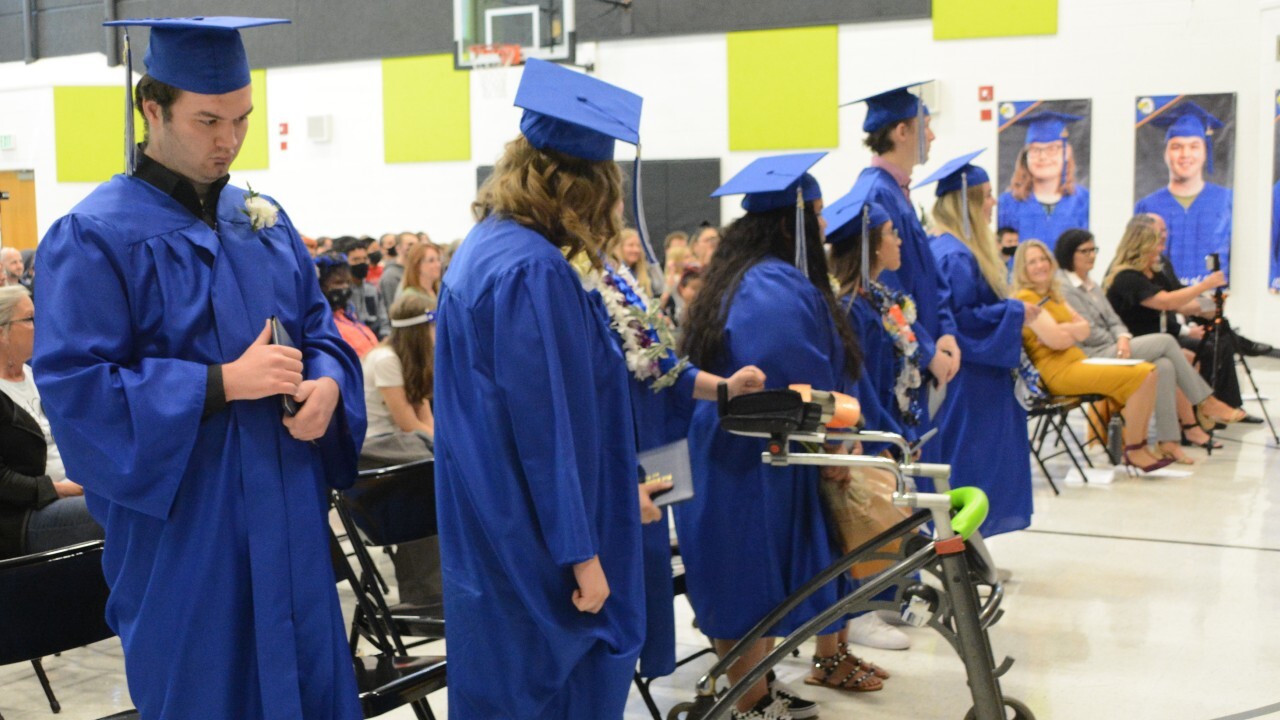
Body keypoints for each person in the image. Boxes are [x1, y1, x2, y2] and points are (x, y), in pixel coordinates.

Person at [32, 17, 366, 720]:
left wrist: (331, 382)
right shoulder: (94, 236)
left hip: (291, 522)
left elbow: (319, 332)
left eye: (242, 119)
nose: (229, 140)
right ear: (152, 110)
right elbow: (76, 391)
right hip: (189, 538)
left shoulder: (263, 224)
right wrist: (220, 383)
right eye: (208, 119)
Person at [433, 58, 647, 719]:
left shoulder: (485, 249)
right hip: (540, 545)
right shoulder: (532, 272)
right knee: (553, 693)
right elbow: (546, 431)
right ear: (582, 187)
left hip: (495, 525)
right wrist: (581, 554)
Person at [681, 153, 883, 720]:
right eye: (816, 215)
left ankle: (756, 688)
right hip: (743, 455)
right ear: (790, 221)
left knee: (758, 576)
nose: (823, 227)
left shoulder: (756, 276)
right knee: (746, 578)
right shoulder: (765, 285)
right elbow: (789, 379)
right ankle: (746, 701)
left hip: (750, 450)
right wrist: (828, 449)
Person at [918, 150, 1036, 536]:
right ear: (966, 201)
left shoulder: (950, 248)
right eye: (986, 194)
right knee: (970, 462)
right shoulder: (955, 255)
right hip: (972, 383)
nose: (993, 203)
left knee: (971, 461)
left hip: (973, 381)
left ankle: (966, 548)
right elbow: (962, 320)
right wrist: (1015, 313)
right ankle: (962, 549)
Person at [846, 81, 960, 469]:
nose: (932, 135)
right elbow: (886, 291)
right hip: (898, 368)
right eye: (925, 124)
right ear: (901, 131)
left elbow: (927, 280)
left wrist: (945, 334)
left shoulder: (898, 194)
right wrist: (928, 353)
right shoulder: (876, 195)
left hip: (922, 354)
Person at [1056, 228, 1240, 460]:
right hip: (1094, 353)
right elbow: (1088, 334)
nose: (1092, 255)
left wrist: (1122, 338)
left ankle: (1169, 441)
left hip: (1122, 344)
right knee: (1168, 344)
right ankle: (1205, 402)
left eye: (1094, 250)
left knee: (1165, 365)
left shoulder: (1091, 283)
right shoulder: (1079, 285)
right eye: (1086, 251)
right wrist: (1204, 287)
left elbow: (1115, 321)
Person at [1012, 241, 1168, 473]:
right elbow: (1057, 340)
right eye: (1032, 262)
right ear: (1022, 269)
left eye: (1043, 259)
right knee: (1144, 374)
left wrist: (1064, 329)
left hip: (1077, 361)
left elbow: (1083, 330)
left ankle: (1139, 445)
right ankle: (1134, 448)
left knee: (1150, 372)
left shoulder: (1054, 294)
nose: (1040, 265)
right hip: (1056, 372)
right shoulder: (1027, 299)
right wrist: (1068, 330)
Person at [1103, 215, 1248, 416]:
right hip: (1132, 342)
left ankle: (1191, 423)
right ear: (1142, 246)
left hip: (1159, 337)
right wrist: (1205, 284)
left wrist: (1212, 304)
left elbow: (1182, 304)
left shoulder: (1156, 271)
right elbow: (1166, 302)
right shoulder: (1126, 277)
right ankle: (1204, 406)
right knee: (1180, 356)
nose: (1162, 248)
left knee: (1196, 351)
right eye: (1158, 242)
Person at [0, 286, 104, 560]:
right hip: (24, 514)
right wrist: (57, 489)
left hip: (72, 486)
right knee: (112, 514)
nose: (39, 326)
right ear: (3, 332)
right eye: (30, 319)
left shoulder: (35, 375)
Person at [1134, 101, 1232, 285]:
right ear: (1166, 153)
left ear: (1205, 152)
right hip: (1162, 300)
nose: (1185, 154)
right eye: (1176, 147)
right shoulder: (1147, 206)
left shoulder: (1227, 200)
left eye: (1194, 146)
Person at [996, 111, 1090, 250]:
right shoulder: (1006, 204)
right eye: (1035, 150)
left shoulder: (1084, 201)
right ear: (1025, 156)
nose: (1043, 157)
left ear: (1067, 153)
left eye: (1052, 149)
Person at [318, 252, 379, 358]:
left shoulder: (348, 314)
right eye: (338, 283)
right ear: (321, 286)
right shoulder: (320, 323)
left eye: (347, 282)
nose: (345, 287)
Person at [335, 236, 388, 338]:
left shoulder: (372, 289)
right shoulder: (341, 293)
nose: (362, 263)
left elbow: (383, 320)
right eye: (355, 260)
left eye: (364, 259)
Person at [608, 227, 655, 296]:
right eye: (631, 245)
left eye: (638, 246)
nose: (636, 250)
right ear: (619, 247)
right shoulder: (612, 274)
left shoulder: (646, 274)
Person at [378, 231, 418, 308]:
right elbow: (393, 307)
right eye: (410, 244)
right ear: (398, 248)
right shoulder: (391, 276)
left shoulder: (416, 271)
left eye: (417, 245)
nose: (415, 248)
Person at [398, 241, 442, 306]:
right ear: (417, 265)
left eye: (438, 259)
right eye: (431, 261)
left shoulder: (438, 291)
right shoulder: (410, 298)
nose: (438, 265)